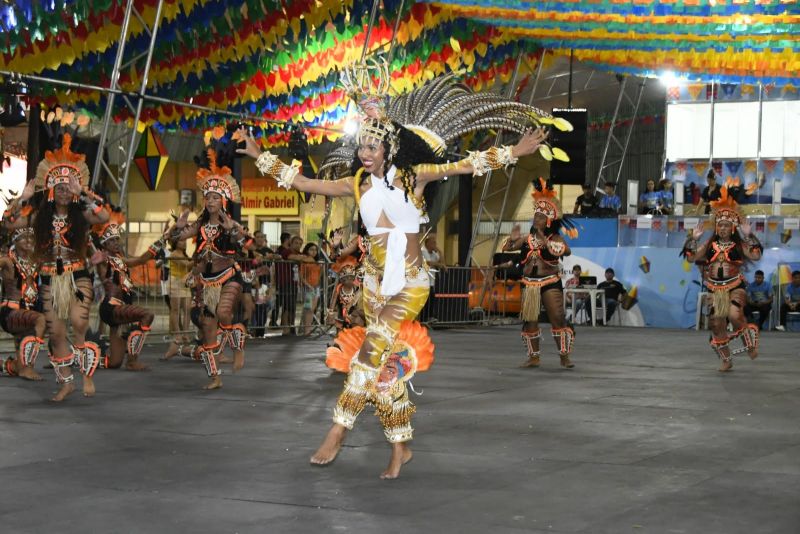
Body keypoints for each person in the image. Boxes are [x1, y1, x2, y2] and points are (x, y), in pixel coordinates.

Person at [238, 72, 550, 478]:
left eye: (373, 145)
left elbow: (467, 164)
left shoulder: (413, 177)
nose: (365, 151)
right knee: (385, 372)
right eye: (362, 145)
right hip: (373, 284)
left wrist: (517, 150)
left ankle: (338, 429)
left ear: (389, 147)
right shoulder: (354, 184)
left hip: (410, 282)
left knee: (370, 350)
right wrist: (257, 153)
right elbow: (301, 181)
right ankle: (400, 446)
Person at [5, 135, 110, 401]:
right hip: (51, 277)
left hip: (78, 275)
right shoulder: (40, 217)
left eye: (68, 187)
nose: (64, 191)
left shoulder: (82, 215)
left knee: (79, 322)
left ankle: (86, 376)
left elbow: (104, 216)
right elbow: (8, 223)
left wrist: (83, 192)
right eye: (59, 187)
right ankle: (66, 383)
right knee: (57, 332)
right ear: (50, 189)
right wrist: (22, 198)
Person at [168, 150, 252, 389]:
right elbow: (177, 238)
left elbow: (244, 243)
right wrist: (178, 227)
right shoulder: (201, 224)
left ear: (223, 200)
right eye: (208, 198)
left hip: (228, 276)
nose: (211, 201)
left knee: (225, 313)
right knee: (207, 329)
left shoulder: (230, 223)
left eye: (215, 197)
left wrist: (233, 231)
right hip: (206, 282)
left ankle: (237, 349)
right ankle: (215, 377)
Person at [683, 186, 762, 371]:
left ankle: (749, 344)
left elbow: (756, 256)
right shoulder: (709, 244)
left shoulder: (738, 244)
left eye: (727, 225)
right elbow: (691, 257)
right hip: (714, 288)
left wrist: (749, 235)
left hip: (735, 285)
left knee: (735, 315)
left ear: (733, 227)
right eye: (721, 225)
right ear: (717, 227)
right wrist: (693, 239)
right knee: (716, 324)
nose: (723, 228)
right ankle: (726, 359)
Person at [502, 179, 577, 369]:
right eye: (535, 216)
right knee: (530, 321)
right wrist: (511, 240)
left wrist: (545, 240)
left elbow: (566, 251)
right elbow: (508, 247)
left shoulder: (555, 238)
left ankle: (564, 357)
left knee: (557, 318)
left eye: (541, 217)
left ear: (549, 221)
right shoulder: (527, 239)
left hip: (550, 281)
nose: (537, 219)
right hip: (529, 283)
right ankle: (533, 357)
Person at [92, 221, 162, 370]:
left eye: (117, 239)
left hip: (118, 311)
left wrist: (163, 239)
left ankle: (85, 358)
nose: (116, 243)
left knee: (114, 363)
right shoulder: (103, 258)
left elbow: (141, 260)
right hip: (111, 307)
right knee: (147, 315)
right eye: (111, 240)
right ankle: (132, 361)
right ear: (104, 244)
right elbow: (96, 256)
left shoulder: (119, 259)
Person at [0, 228, 46, 381]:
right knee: (40, 320)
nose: (29, 241)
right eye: (23, 238)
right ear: (15, 241)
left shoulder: (37, 262)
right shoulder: (7, 260)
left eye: (31, 238)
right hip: (10, 312)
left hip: (27, 312)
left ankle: (12, 366)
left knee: (18, 367)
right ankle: (27, 368)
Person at [326, 255, 365, 333]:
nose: (349, 280)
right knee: (340, 331)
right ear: (342, 279)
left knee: (354, 330)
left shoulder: (357, 288)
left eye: (351, 278)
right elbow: (334, 299)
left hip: (352, 314)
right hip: (340, 314)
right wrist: (331, 311)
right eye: (347, 278)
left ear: (354, 278)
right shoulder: (339, 288)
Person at [419, 234, 446, 322]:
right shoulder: (423, 251)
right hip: (423, 280)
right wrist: (440, 265)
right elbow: (428, 263)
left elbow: (441, 261)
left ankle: (429, 317)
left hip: (431, 281)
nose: (435, 244)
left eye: (435, 243)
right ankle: (423, 319)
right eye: (433, 243)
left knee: (431, 300)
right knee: (425, 301)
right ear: (428, 243)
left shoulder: (434, 253)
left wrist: (440, 251)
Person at [300, 242, 322, 336]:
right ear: (307, 250)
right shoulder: (305, 260)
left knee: (311, 309)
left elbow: (319, 275)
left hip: (315, 287)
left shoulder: (316, 261)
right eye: (311, 249)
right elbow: (301, 275)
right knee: (308, 309)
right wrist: (307, 285)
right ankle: (306, 330)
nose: (314, 252)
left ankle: (306, 329)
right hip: (308, 287)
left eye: (315, 250)